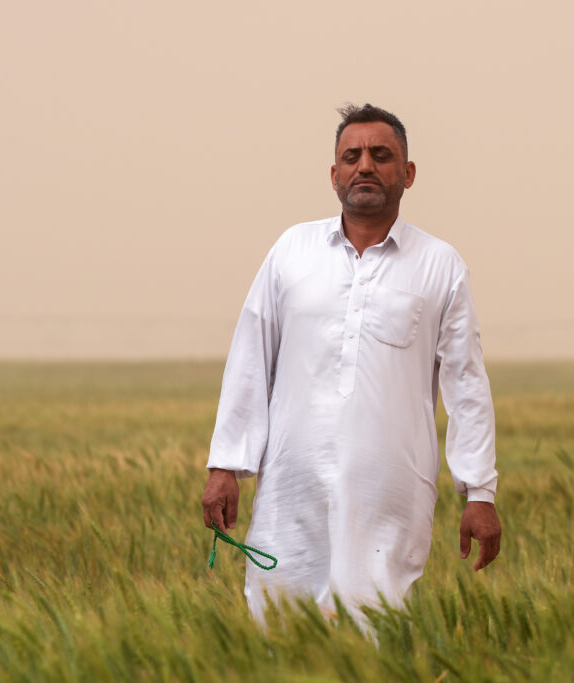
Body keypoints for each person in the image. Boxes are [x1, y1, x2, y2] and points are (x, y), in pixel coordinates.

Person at [201, 103, 501, 622]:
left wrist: (480, 491)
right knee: (279, 621)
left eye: (381, 155)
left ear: (408, 173)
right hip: (291, 485)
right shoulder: (291, 250)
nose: (365, 166)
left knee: (376, 622)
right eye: (352, 156)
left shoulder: (440, 264)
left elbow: (466, 384)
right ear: (334, 174)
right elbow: (251, 358)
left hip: (389, 490)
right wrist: (225, 465)